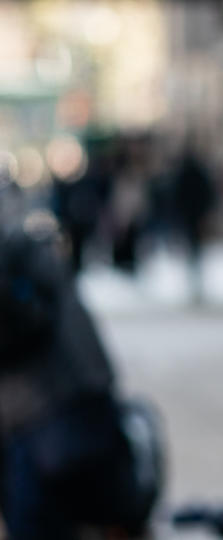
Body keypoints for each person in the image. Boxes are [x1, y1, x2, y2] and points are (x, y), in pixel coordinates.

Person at [0, 179, 162, 539]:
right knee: (108, 509)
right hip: (81, 399)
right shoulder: (24, 235)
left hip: (43, 418)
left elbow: (24, 321)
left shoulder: (17, 246)